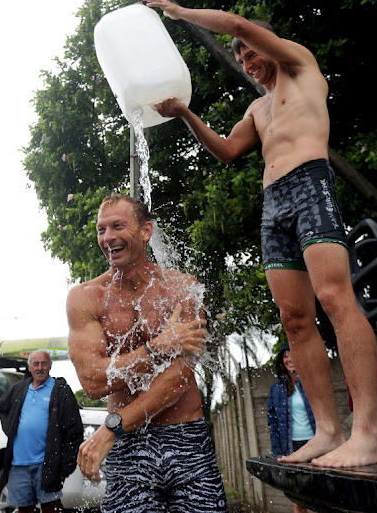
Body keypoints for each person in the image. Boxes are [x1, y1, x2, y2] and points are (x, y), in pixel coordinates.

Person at [141, 0, 377, 468]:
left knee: (335, 299)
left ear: (269, 45)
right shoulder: (258, 108)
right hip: (274, 204)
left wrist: (181, 13)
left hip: (311, 184)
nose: (247, 60)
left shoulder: (301, 67)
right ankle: (327, 431)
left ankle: (369, 433)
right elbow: (229, 150)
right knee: (294, 318)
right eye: (239, 57)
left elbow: (235, 22)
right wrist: (185, 115)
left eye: (250, 51)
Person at [67, 193, 228, 513]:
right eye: (101, 229)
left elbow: (180, 376)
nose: (108, 237)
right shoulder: (85, 298)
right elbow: (93, 381)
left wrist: (113, 426)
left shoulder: (182, 288)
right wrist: (159, 347)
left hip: (185, 439)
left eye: (117, 226)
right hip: (128, 447)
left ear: (145, 231)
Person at [0, 350, 83, 513]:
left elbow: (75, 431)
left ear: (50, 366)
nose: (40, 368)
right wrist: (11, 428)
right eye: (36, 364)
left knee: (50, 508)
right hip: (19, 464)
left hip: (47, 465)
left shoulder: (61, 390)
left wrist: (65, 468)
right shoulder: (19, 389)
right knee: (24, 509)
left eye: (44, 363)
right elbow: (1, 408)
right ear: (29, 367)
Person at [268, 345, 316, 513]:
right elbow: (272, 423)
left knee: (320, 493)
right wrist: (277, 453)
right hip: (292, 448)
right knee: (298, 498)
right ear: (282, 361)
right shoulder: (276, 390)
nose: (290, 359)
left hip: (316, 444)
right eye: (286, 356)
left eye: (293, 355)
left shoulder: (311, 382)